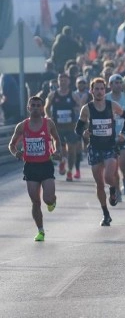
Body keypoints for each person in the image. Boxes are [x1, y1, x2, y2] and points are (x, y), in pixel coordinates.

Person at [76, 78, 125, 226]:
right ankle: (106, 214)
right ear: (91, 91)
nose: (99, 92)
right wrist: (83, 133)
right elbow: (78, 128)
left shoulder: (112, 105)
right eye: (97, 89)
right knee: (99, 184)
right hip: (95, 148)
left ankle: (113, 190)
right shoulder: (87, 108)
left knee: (108, 177)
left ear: (104, 90)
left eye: (102, 89)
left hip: (110, 147)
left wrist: (122, 133)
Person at [8, 96, 62, 241]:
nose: (36, 108)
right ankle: (40, 231)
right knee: (35, 202)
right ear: (28, 108)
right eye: (33, 105)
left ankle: (52, 200)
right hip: (31, 167)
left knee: (47, 199)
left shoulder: (48, 123)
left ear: (43, 108)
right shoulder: (22, 126)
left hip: (46, 165)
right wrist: (16, 153)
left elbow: (56, 139)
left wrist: (57, 151)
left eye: (39, 105)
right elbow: (12, 145)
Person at [44, 73, 81, 182]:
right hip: (57, 127)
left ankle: (69, 171)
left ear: (68, 81)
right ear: (58, 81)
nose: (63, 82)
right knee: (59, 149)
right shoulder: (53, 95)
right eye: (61, 80)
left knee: (72, 150)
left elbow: (79, 107)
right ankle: (61, 162)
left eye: (65, 80)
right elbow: (46, 107)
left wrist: (76, 112)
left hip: (71, 126)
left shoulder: (73, 95)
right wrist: (49, 117)